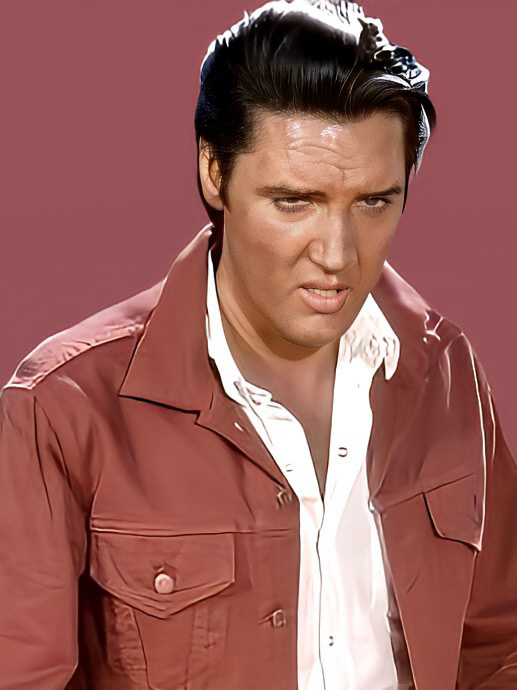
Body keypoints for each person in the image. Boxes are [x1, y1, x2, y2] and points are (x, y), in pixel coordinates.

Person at [1, 0, 516, 688]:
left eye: (373, 202)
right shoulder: (61, 409)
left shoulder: (447, 372)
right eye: (294, 202)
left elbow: (498, 650)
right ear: (214, 172)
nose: (337, 254)